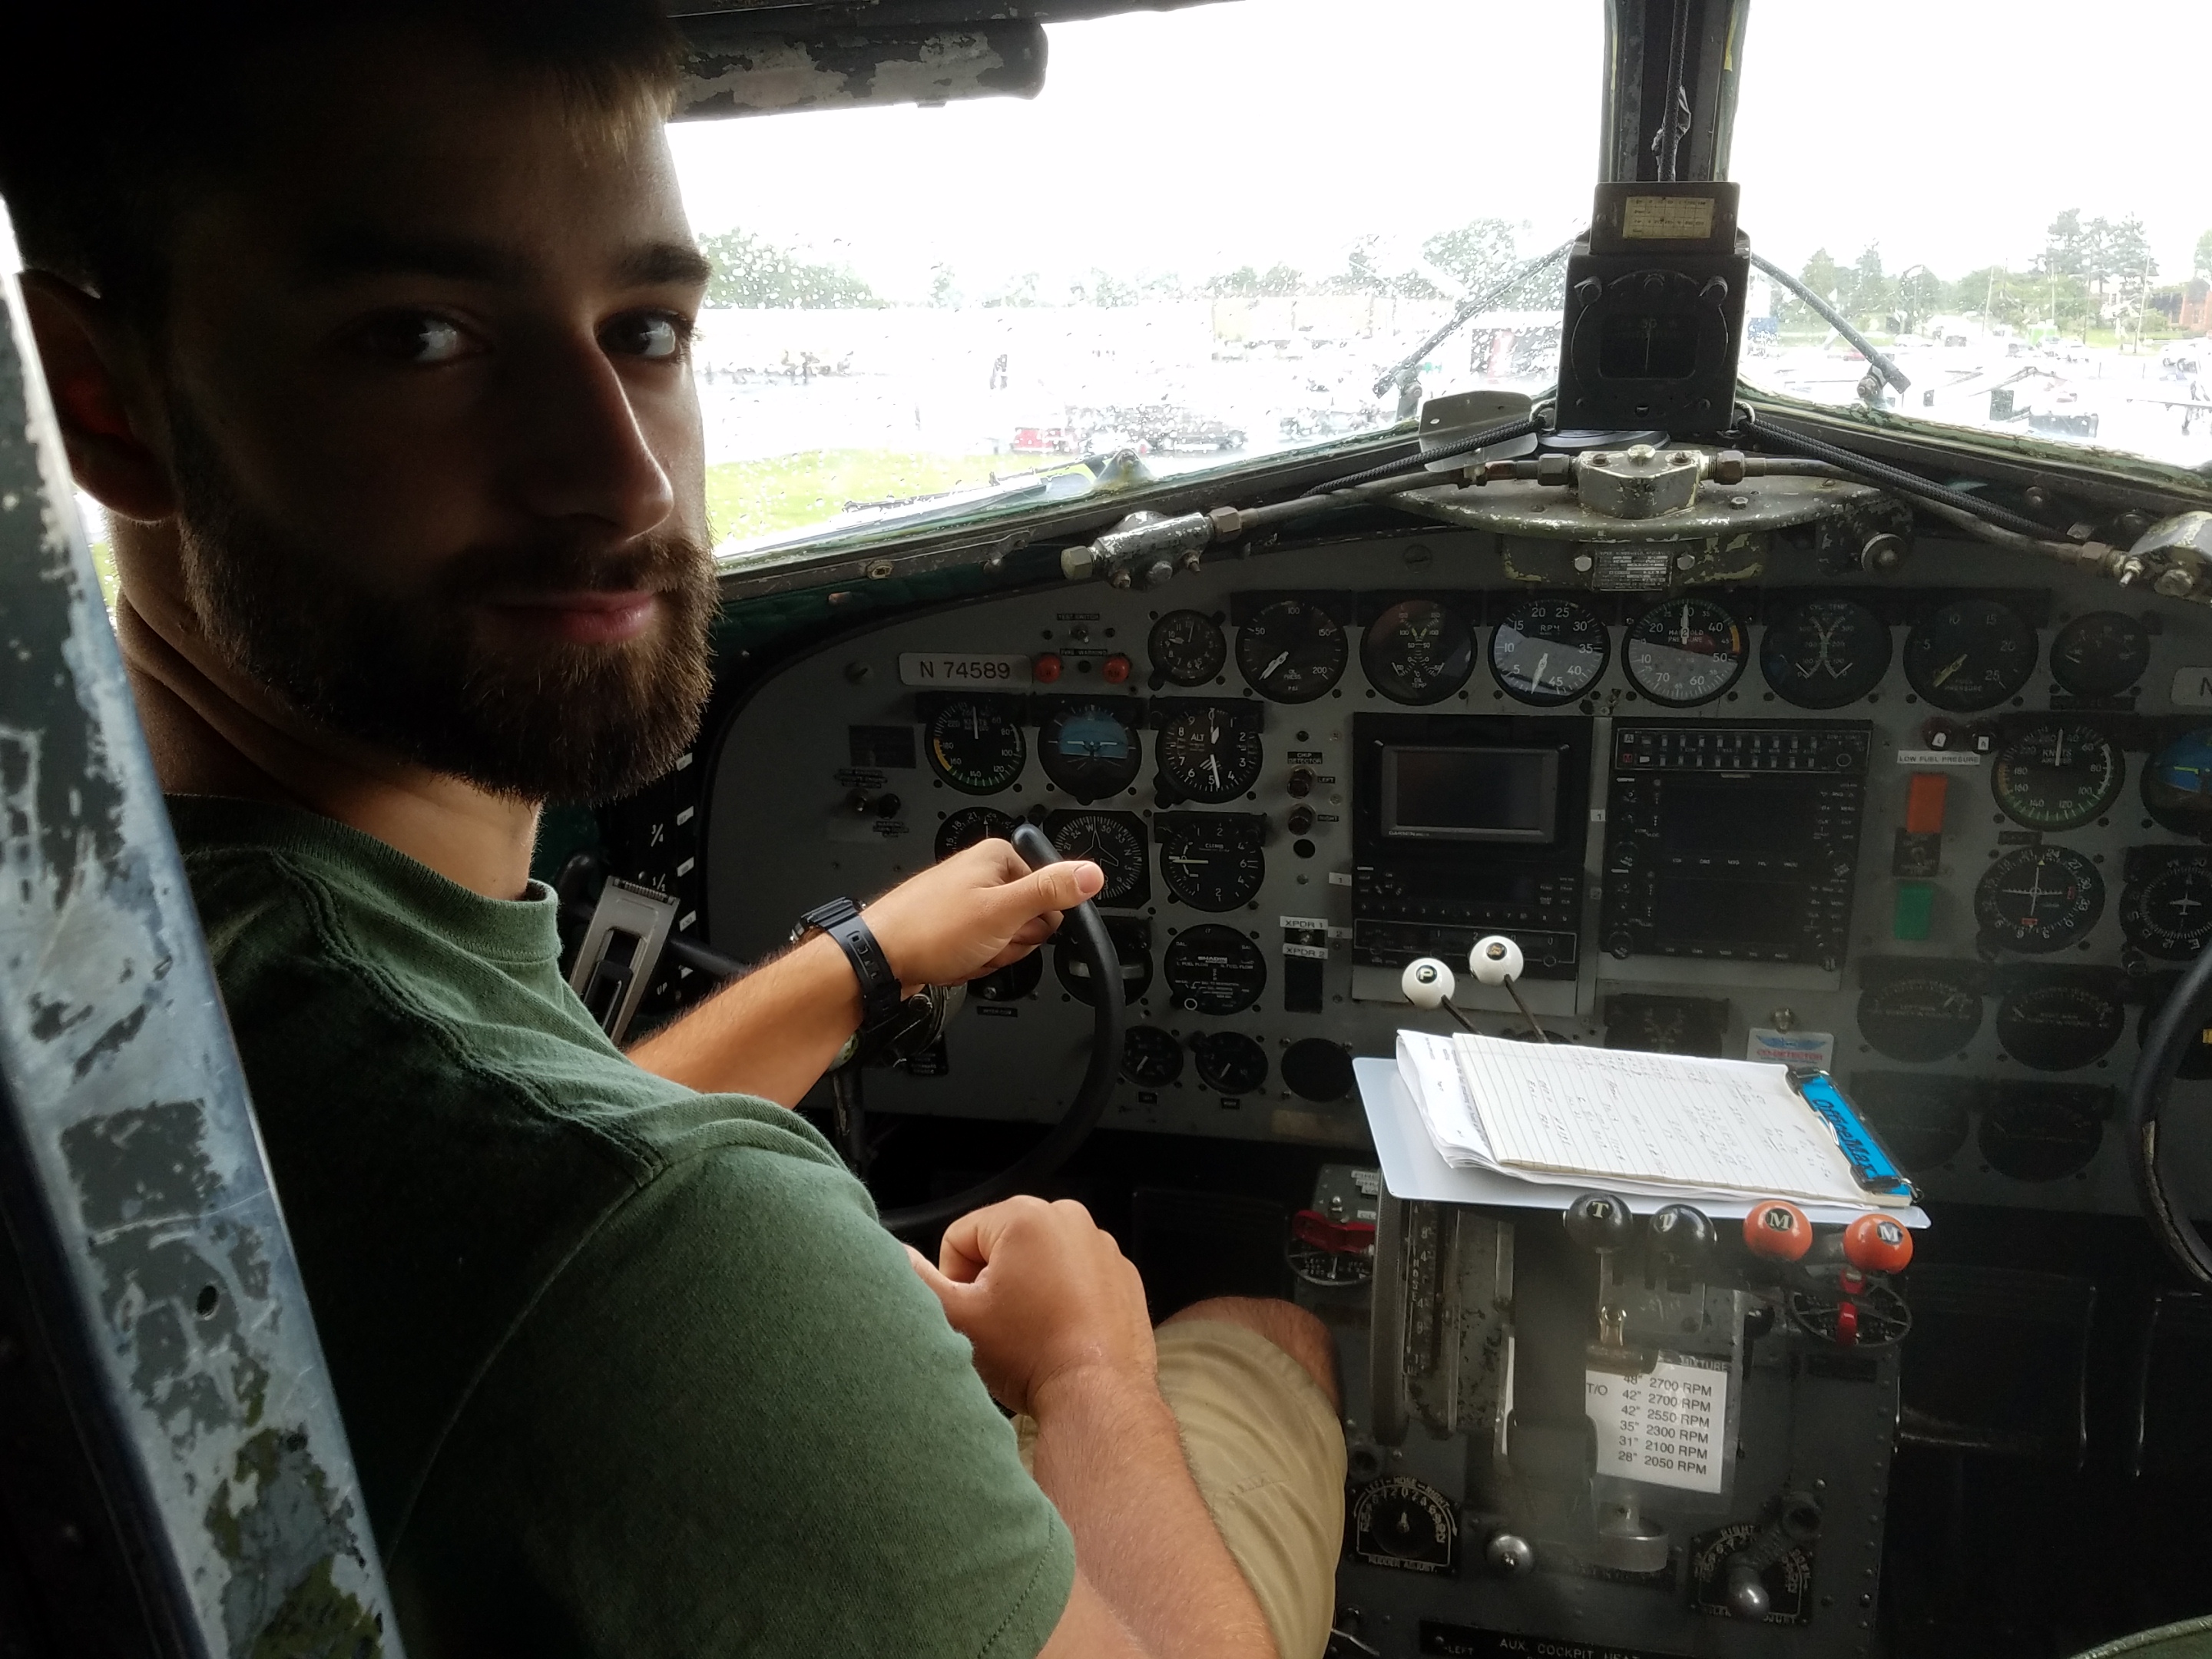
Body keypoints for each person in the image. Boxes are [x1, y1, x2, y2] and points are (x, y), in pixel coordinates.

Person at [0, 4, 1346, 1657]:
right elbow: (589, 1217)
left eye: (644, 328)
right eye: (422, 336)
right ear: (105, 400)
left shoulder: (153, 928)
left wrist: (859, 964)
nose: (624, 481)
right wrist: (1088, 1371)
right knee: (1264, 1335)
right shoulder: (659, 1258)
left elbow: (517, 1170)